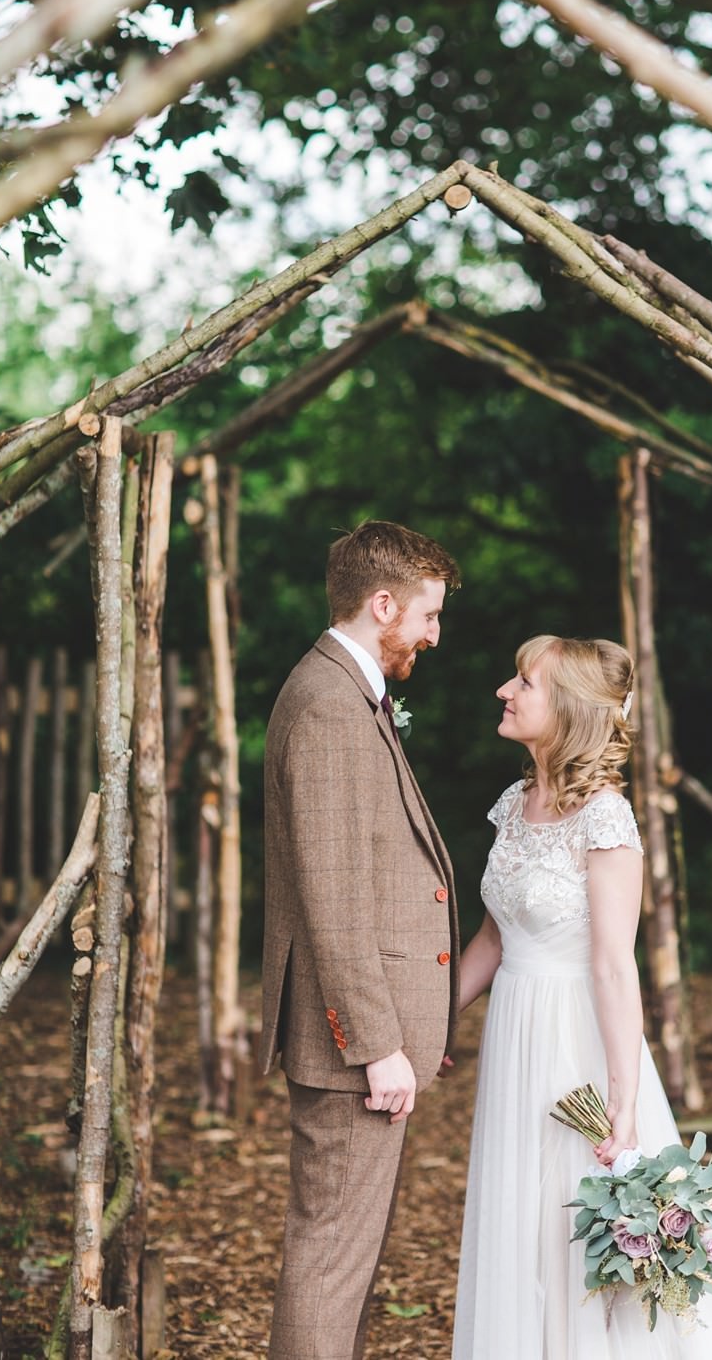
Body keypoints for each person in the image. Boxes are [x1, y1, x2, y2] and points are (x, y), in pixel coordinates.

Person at [453, 634, 712, 1359]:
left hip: (577, 1046)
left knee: (574, 1224)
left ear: (567, 711)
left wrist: (622, 1100)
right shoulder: (513, 804)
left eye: (523, 682)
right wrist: (435, 1022)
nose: (505, 690)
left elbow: (614, 967)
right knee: (519, 1222)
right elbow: (495, 940)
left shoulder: (606, 819)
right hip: (512, 1035)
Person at [259, 519, 461, 1360]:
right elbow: (332, 898)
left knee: (345, 1251)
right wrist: (377, 1044)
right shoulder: (332, 709)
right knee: (332, 1253)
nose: (433, 635)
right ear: (383, 604)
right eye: (427, 615)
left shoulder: (342, 692)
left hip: (365, 1030)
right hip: (352, 1043)